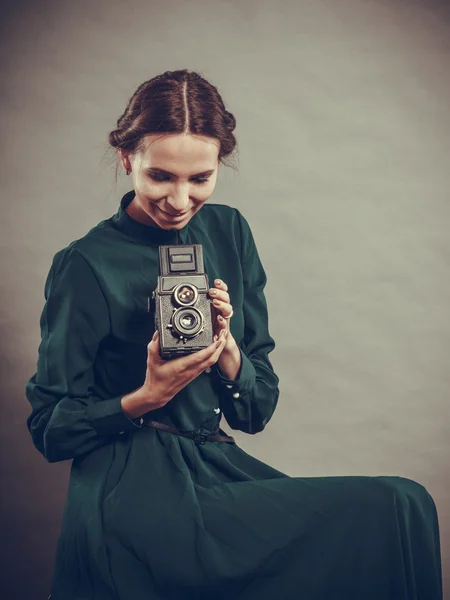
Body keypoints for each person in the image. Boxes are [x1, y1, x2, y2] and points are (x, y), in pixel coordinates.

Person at [26, 69, 443, 600]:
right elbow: (49, 429)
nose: (179, 199)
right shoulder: (85, 263)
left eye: (199, 178)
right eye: (161, 176)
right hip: (132, 491)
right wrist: (145, 397)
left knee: (402, 504)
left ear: (220, 164)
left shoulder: (230, 232)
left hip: (217, 470)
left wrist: (228, 355)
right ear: (127, 158)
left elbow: (255, 411)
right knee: (385, 510)